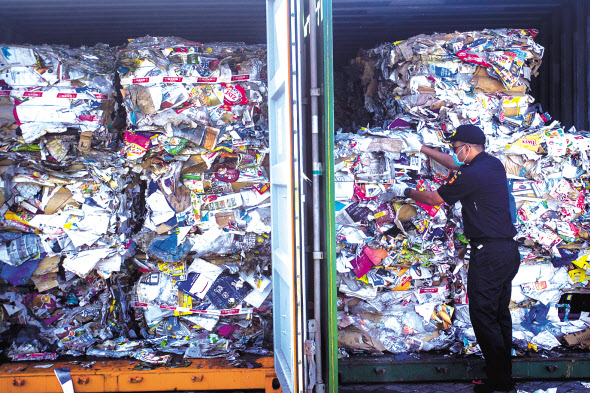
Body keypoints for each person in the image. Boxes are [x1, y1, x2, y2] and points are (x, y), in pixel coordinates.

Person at [390, 124, 520, 393]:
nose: (454, 153)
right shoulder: (491, 164)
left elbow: (434, 199)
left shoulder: (472, 175)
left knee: (483, 316)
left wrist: (404, 192)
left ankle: (501, 382)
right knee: (498, 315)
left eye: (456, 147)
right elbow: (455, 163)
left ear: (468, 148)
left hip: (490, 254)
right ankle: (503, 377)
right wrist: (422, 148)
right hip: (507, 252)